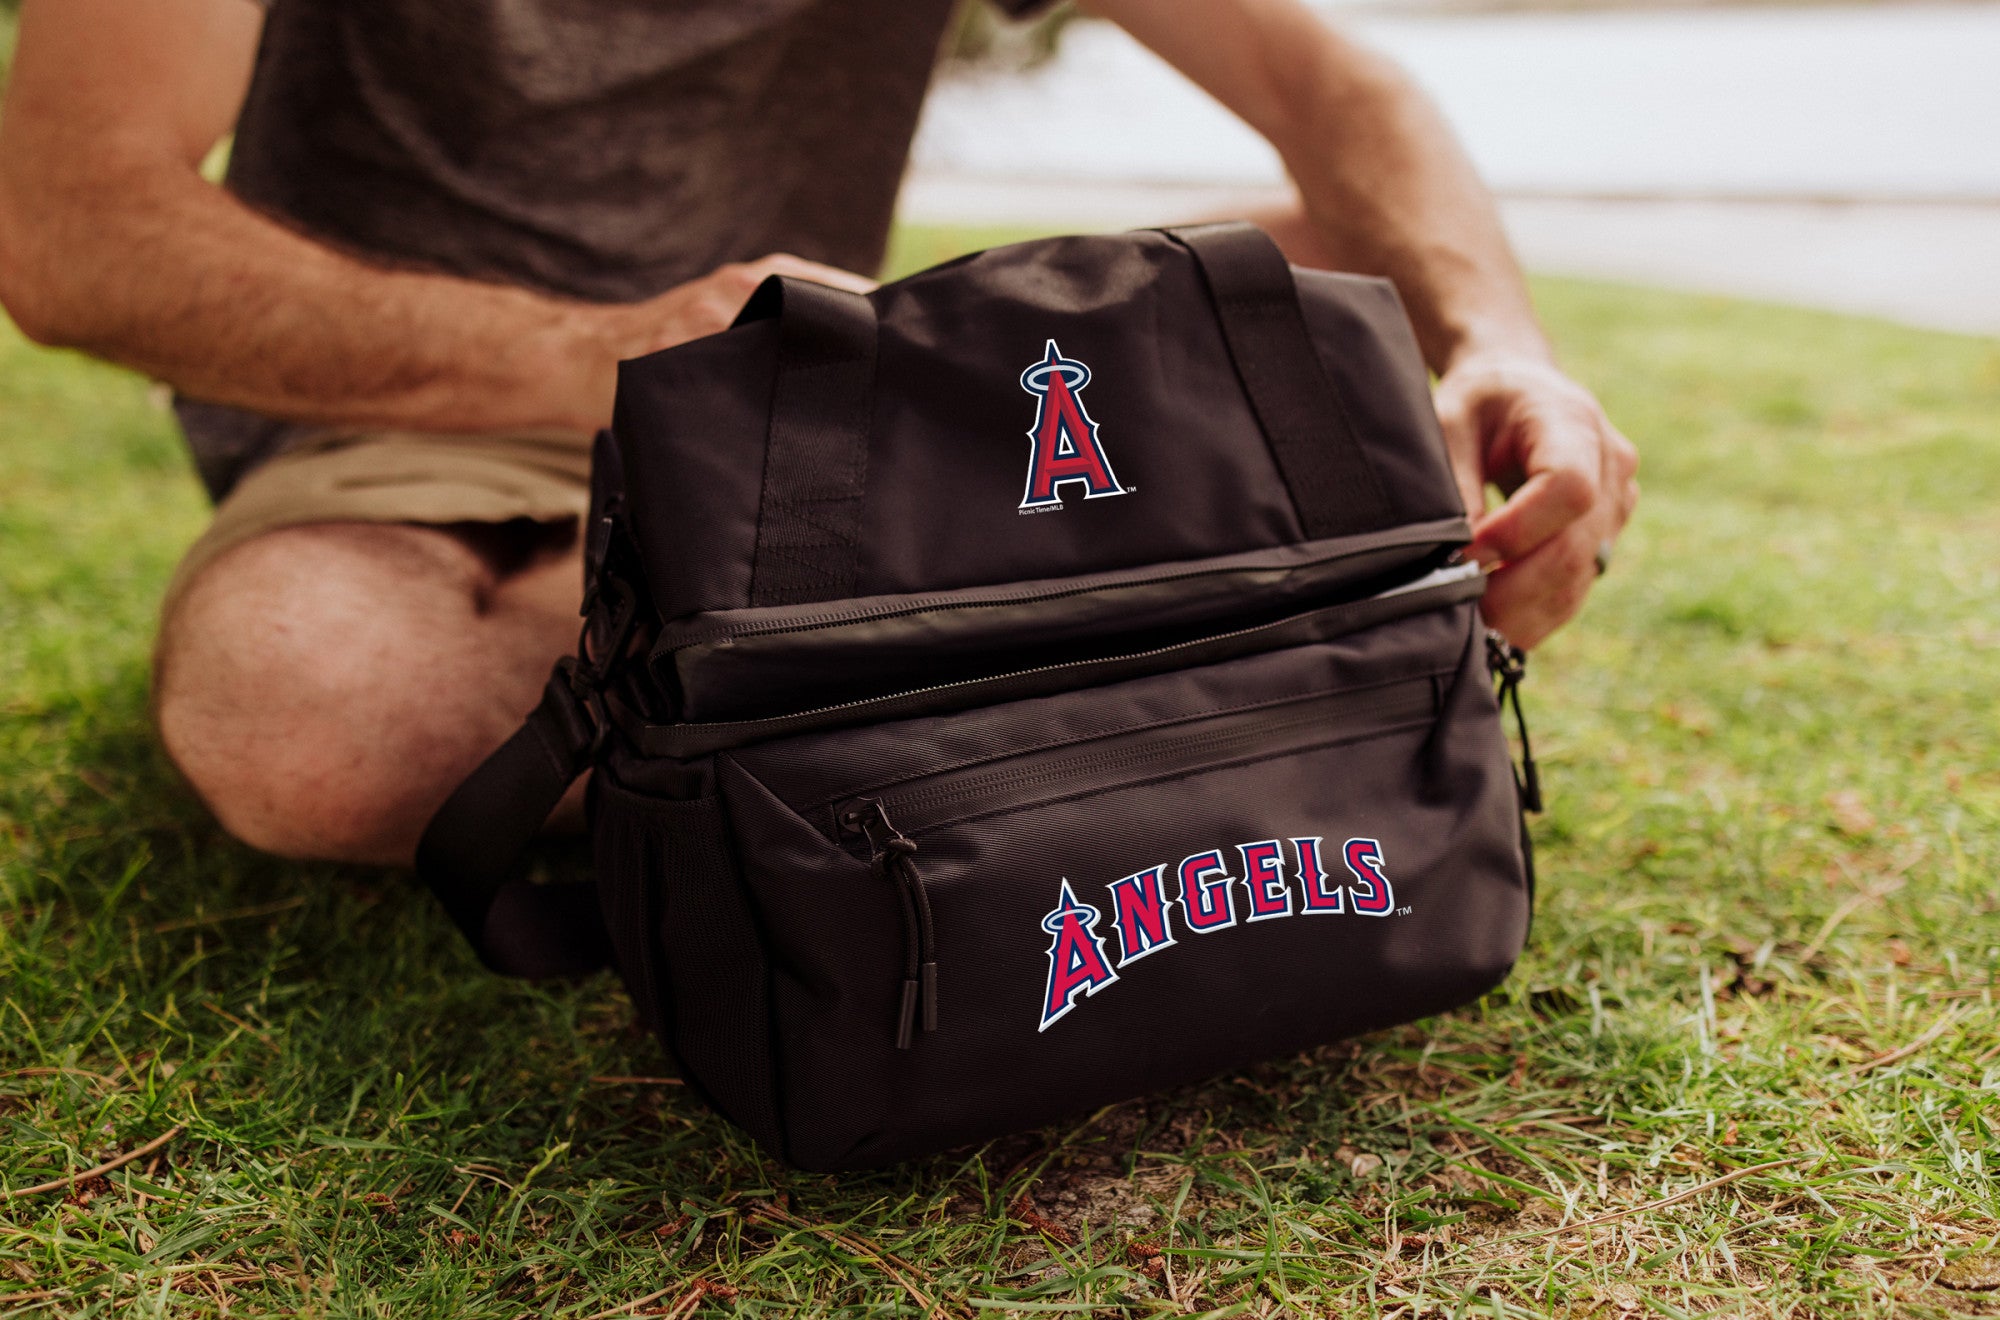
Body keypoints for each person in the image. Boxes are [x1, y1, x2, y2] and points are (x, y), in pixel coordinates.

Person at [0, 0, 1638, 868]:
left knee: (1346, 263)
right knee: (316, 714)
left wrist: (1507, 345)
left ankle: (895, 628)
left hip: (825, 389)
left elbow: (1324, 76)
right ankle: (1083, 619)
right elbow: (70, 225)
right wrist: (601, 354)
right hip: (441, 423)